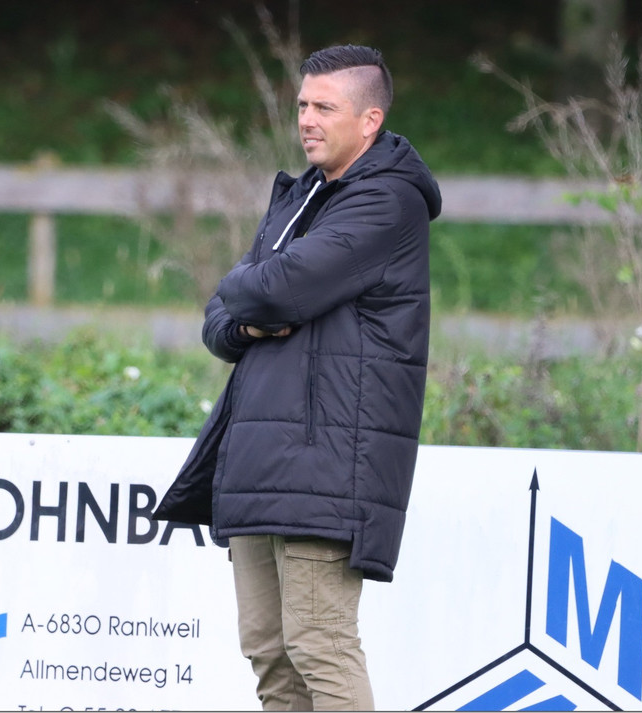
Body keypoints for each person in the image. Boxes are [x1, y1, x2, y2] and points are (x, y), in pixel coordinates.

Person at [153, 44, 441, 711]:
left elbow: (271, 289)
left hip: (326, 462)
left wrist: (248, 291)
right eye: (303, 105)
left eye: (325, 108)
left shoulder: (387, 201)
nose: (307, 120)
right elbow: (221, 320)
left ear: (369, 121)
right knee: (270, 652)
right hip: (259, 457)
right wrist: (249, 316)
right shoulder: (300, 196)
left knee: (319, 644)